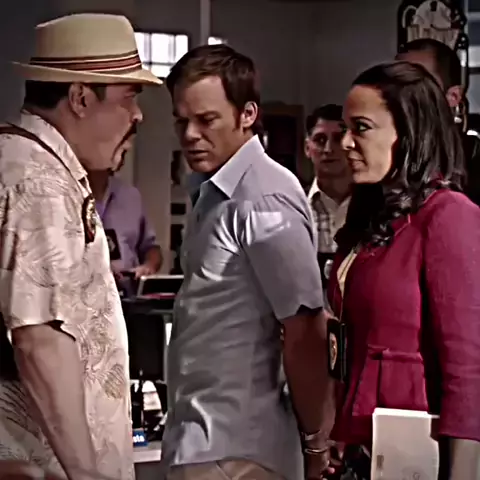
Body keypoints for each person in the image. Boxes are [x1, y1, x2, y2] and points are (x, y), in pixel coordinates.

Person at [161, 44, 335, 480]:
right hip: (204, 437)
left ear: (248, 114)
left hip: (239, 447)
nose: (190, 135)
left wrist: (316, 442)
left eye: (206, 120)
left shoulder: (263, 196)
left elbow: (305, 327)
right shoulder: (213, 190)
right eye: (181, 121)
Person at [0, 13, 161, 480]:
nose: (138, 115)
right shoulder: (38, 182)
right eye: (129, 96)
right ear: (81, 98)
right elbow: (40, 338)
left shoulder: (37, 166)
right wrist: (86, 474)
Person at [327, 61, 480, 479]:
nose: (345, 143)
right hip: (364, 451)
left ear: (409, 132)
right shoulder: (375, 218)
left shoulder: (448, 215)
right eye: (345, 128)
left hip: (416, 454)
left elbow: (468, 367)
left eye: (361, 128)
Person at [396, 38, 480, 205]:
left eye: (417, 82)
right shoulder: (381, 159)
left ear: (453, 96)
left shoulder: (475, 163)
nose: (401, 93)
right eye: (394, 82)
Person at [87, 139, 163, 291]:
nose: (127, 146)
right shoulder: (63, 195)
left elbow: (151, 248)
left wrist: (148, 267)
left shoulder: (130, 195)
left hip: (127, 295)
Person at [304, 104, 352, 287]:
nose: (328, 149)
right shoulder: (293, 205)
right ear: (307, 148)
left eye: (338, 139)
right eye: (320, 139)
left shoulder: (376, 207)